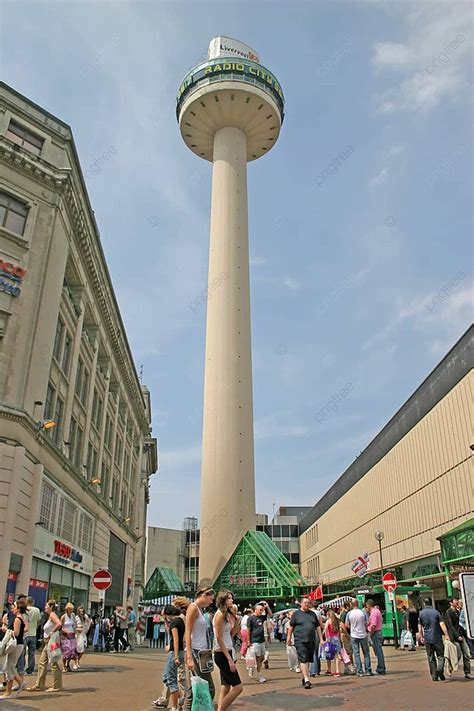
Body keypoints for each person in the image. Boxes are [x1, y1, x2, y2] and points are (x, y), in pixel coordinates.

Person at [183, 587, 216, 711]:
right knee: (201, 689)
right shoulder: (193, 608)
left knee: (196, 689)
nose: (211, 602)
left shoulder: (199, 610)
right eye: (210, 599)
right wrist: (189, 656)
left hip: (202, 652)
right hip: (195, 652)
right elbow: (188, 632)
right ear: (204, 596)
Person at [213, 590, 242, 711]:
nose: (232, 600)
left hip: (228, 650)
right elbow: (219, 638)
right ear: (223, 600)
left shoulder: (227, 614)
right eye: (229, 598)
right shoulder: (219, 614)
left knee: (226, 686)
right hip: (221, 653)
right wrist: (229, 659)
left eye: (231, 598)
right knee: (238, 687)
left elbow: (230, 635)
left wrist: (237, 622)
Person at [27, 599, 63, 693]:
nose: (45, 607)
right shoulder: (50, 615)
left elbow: (59, 624)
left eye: (47, 606)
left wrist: (52, 632)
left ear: (51, 607)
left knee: (53, 663)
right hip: (48, 643)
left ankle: (56, 685)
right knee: (42, 663)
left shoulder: (52, 615)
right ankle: (39, 685)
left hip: (51, 642)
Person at [287, 596, 323, 689]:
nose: (307, 604)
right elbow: (291, 627)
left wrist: (321, 639)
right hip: (300, 640)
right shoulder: (296, 614)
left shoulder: (312, 614)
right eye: (305, 603)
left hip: (311, 640)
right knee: (303, 658)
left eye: (308, 603)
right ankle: (307, 679)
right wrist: (289, 638)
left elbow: (317, 627)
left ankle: (304, 676)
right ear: (301, 604)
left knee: (308, 659)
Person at [0, 599, 28, 699]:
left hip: (16, 645)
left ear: (18, 609)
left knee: (10, 667)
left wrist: (6, 630)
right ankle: (20, 682)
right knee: (9, 666)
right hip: (18, 645)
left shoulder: (17, 619)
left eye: (14, 607)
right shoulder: (21, 618)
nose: (13, 609)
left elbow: (16, 633)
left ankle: (8, 692)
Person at [419, 597, 448, 681]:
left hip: (428, 638)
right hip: (437, 637)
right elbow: (442, 624)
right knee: (441, 656)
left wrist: (421, 636)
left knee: (430, 657)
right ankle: (440, 669)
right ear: (431, 603)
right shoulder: (436, 612)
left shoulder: (422, 613)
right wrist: (446, 634)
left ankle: (434, 675)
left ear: (424, 603)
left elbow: (420, 626)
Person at [444, 598, 471, 679]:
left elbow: (459, 624)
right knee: (458, 654)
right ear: (451, 603)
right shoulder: (448, 612)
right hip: (454, 636)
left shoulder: (458, 611)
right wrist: (457, 635)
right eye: (455, 601)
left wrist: (464, 633)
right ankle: (449, 666)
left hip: (461, 635)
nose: (457, 602)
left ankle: (467, 672)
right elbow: (451, 626)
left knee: (466, 654)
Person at [345, 599, 372, 677]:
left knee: (356, 653)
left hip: (354, 635)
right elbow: (367, 623)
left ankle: (359, 671)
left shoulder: (349, 613)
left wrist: (352, 627)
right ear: (358, 604)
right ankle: (368, 670)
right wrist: (363, 625)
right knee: (366, 653)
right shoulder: (363, 612)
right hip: (363, 634)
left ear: (351, 605)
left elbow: (346, 625)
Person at [247, 602, 268, 683]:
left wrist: (267, 607)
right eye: (260, 610)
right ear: (255, 610)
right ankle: (259, 674)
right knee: (258, 658)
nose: (261, 611)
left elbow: (270, 614)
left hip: (262, 640)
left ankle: (251, 667)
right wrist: (248, 641)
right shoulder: (251, 618)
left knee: (262, 657)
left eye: (262, 610)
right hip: (255, 641)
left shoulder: (262, 617)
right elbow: (248, 630)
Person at [366, 599, 386, 675]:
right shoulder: (377, 611)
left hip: (376, 633)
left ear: (368, 605)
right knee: (379, 651)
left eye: (366, 605)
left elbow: (373, 624)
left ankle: (380, 668)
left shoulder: (373, 612)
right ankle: (382, 667)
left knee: (378, 651)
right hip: (379, 632)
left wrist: (370, 631)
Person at [323, 610, 343, 677]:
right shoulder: (336, 622)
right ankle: (337, 671)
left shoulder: (328, 621)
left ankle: (329, 670)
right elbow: (339, 631)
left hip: (330, 639)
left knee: (329, 654)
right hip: (336, 638)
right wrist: (340, 639)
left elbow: (326, 629)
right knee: (337, 655)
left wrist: (326, 638)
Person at [24, 596, 41, 676]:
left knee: (22, 653)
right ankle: (30, 669)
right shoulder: (36, 610)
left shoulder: (24, 609)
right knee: (32, 653)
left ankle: (21, 667)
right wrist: (35, 628)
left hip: (24, 634)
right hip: (33, 634)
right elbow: (39, 621)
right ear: (32, 602)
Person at [60, 602, 78, 671]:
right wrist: (65, 631)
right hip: (65, 635)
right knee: (66, 651)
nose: (71, 610)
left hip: (72, 634)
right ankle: (63, 666)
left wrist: (75, 630)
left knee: (72, 650)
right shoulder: (63, 617)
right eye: (70, 609)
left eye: (72, 609)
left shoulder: (73, 615)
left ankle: (68, 664)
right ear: (67, 609)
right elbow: (60, 627)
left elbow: (74, 625)